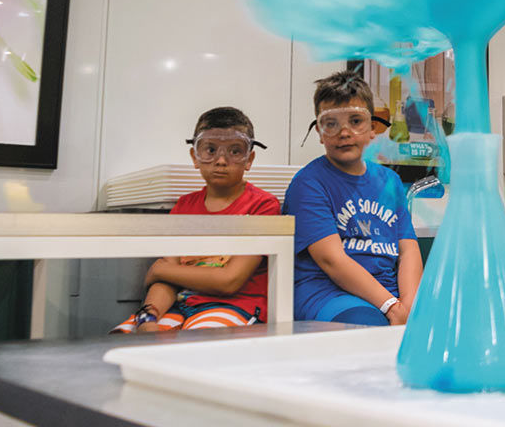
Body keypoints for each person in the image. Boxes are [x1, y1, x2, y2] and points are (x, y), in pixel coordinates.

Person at [112, 107, 279, 333]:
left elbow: (229, 281)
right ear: (195, 157)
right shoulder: (185, 206)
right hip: (180, 304)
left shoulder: (262, 206)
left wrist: (159, 271)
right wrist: (148, 316)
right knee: (123, 337)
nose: (221, 160)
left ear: (249, 159)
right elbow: (167, 277)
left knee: (195, 341)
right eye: (210, 150)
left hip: (235, 306)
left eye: (234, 151)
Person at [283, 70, 423, 325]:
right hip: (328, 295)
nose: (344, 132)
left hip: (387, 295)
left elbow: (408, 249)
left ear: (373, 128)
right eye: (331, 123)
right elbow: (331, 259)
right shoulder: (308, 183)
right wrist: (391, 307)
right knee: (366, 324)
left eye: (355, 121)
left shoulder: (389, 181)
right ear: (319, 131)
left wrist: (411, 306)